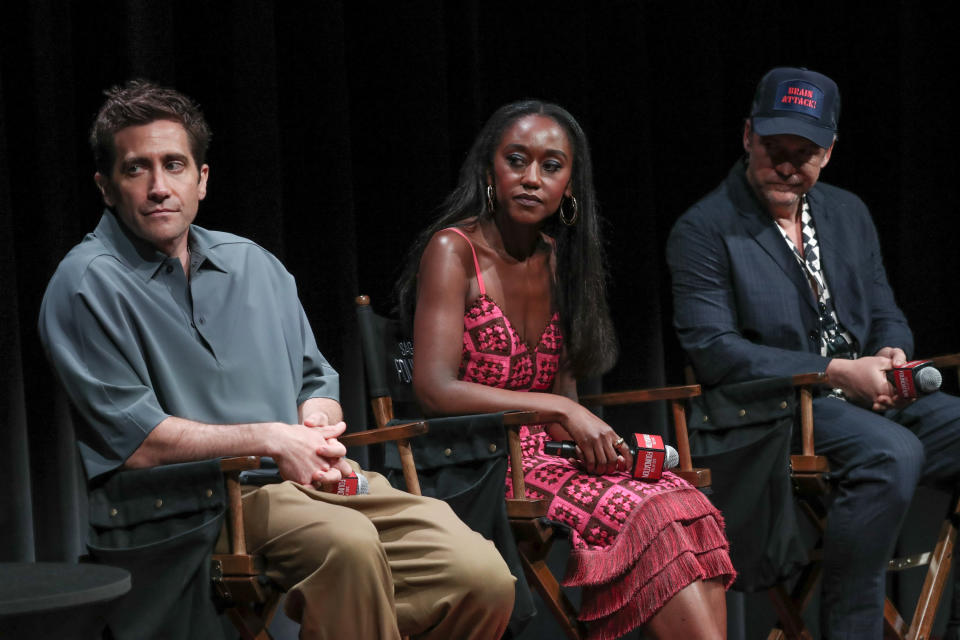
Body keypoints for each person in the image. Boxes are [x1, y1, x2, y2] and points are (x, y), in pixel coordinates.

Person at [38, 79, 514, 640]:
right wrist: (271, 438)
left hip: (310, 483)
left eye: (174, 165)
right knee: (348, 548)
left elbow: (316, 377)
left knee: (482, 575)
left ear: (202, 179)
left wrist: (316, 413)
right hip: (198, 503)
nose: (159, 187)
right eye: (136, 169)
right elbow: (143, 443)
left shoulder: (255, 265)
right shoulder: (86, 284)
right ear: (107, 187)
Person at [396, 100, 735, 640]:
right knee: (646, 513)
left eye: (551, 166)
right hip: (476, 464)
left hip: (546, 460)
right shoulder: (452, 250)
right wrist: (560, 409)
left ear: (570, 186)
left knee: (681, 503)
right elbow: (434, 389)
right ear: (490, 171)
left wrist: (595, 444)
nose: (532, 178)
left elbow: (563, 398)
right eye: (516, 161)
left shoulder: (558, 257)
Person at [667, 66, 960, 638]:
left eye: (805, 153)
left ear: (829, 152)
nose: (787, 165)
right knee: (890, 455)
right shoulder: (703, 229)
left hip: (862, 397)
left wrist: (890, 355)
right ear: (748, 135)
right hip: (770, 412)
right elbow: (716, 352)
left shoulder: (847, 212)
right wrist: (835, 371)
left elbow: (884, 311)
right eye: (775, 147)